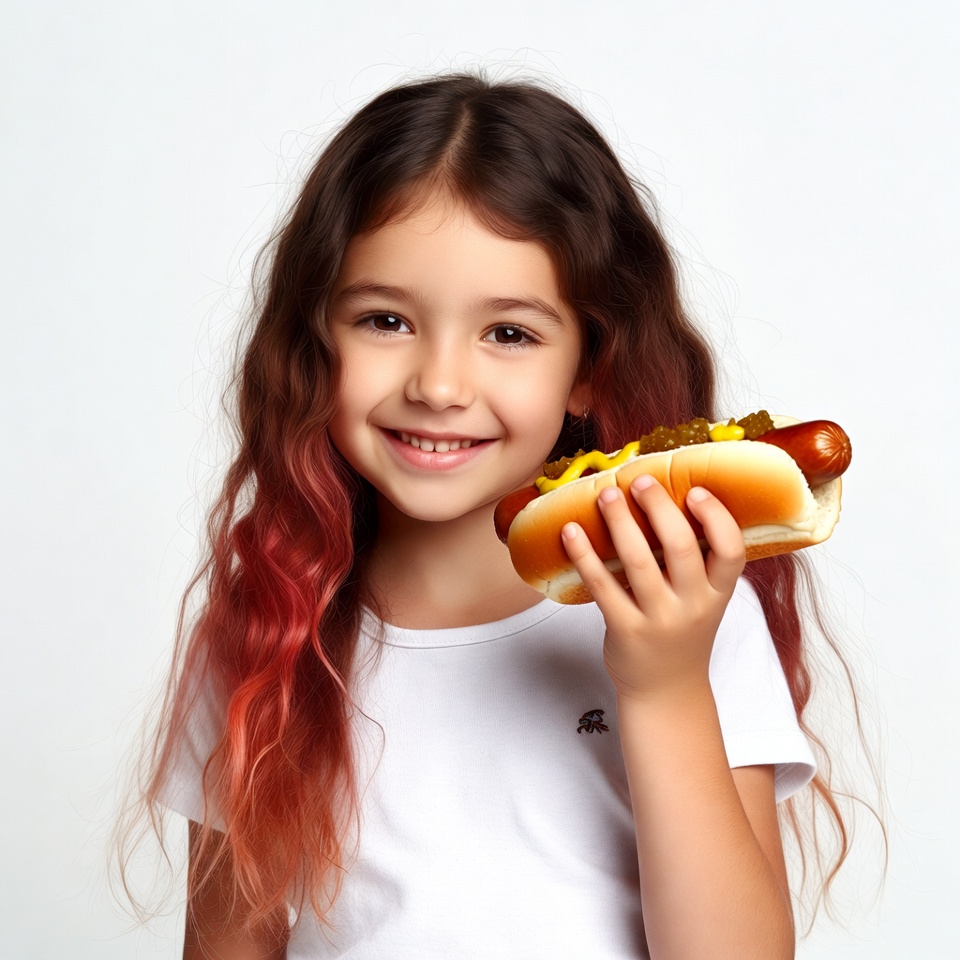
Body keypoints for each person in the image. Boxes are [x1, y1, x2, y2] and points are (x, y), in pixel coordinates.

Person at [132, 73, 861, 959]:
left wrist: (663, 684)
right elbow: (226, 945)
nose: (439, 384)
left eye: (509, 333)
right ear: (314, 340)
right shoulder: (269, 630)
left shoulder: (688, 611)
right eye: (385, 319)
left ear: (588, 366)